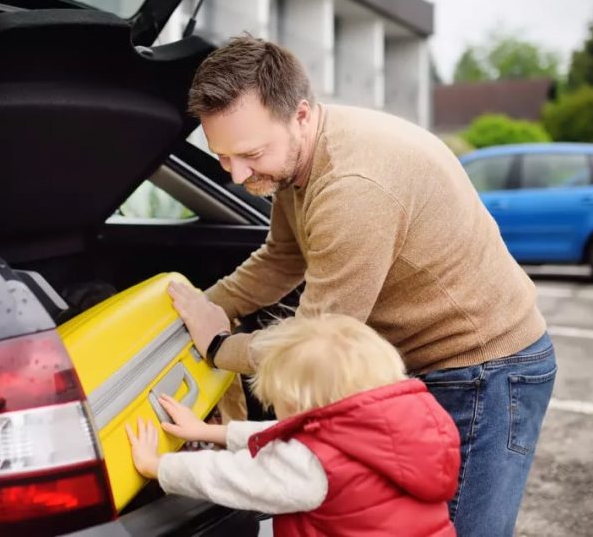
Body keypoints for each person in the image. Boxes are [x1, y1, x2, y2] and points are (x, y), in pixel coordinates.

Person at [167, 35, 557, 536]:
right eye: (222, 157)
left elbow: (318, 338)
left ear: (300, 115)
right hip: (429, 365)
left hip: (485, 369)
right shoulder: (299, 161)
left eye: (250, 153)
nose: (238, 174)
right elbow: (282, 258)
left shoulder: (353, 187)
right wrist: (208, 306)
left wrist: (219, 345)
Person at [126, 313, 460, 536]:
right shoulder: (397, 424)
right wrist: (210, 431)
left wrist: (159, 466)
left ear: (301, 404)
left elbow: (232, 477)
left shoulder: (314, 466)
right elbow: (298, 441)